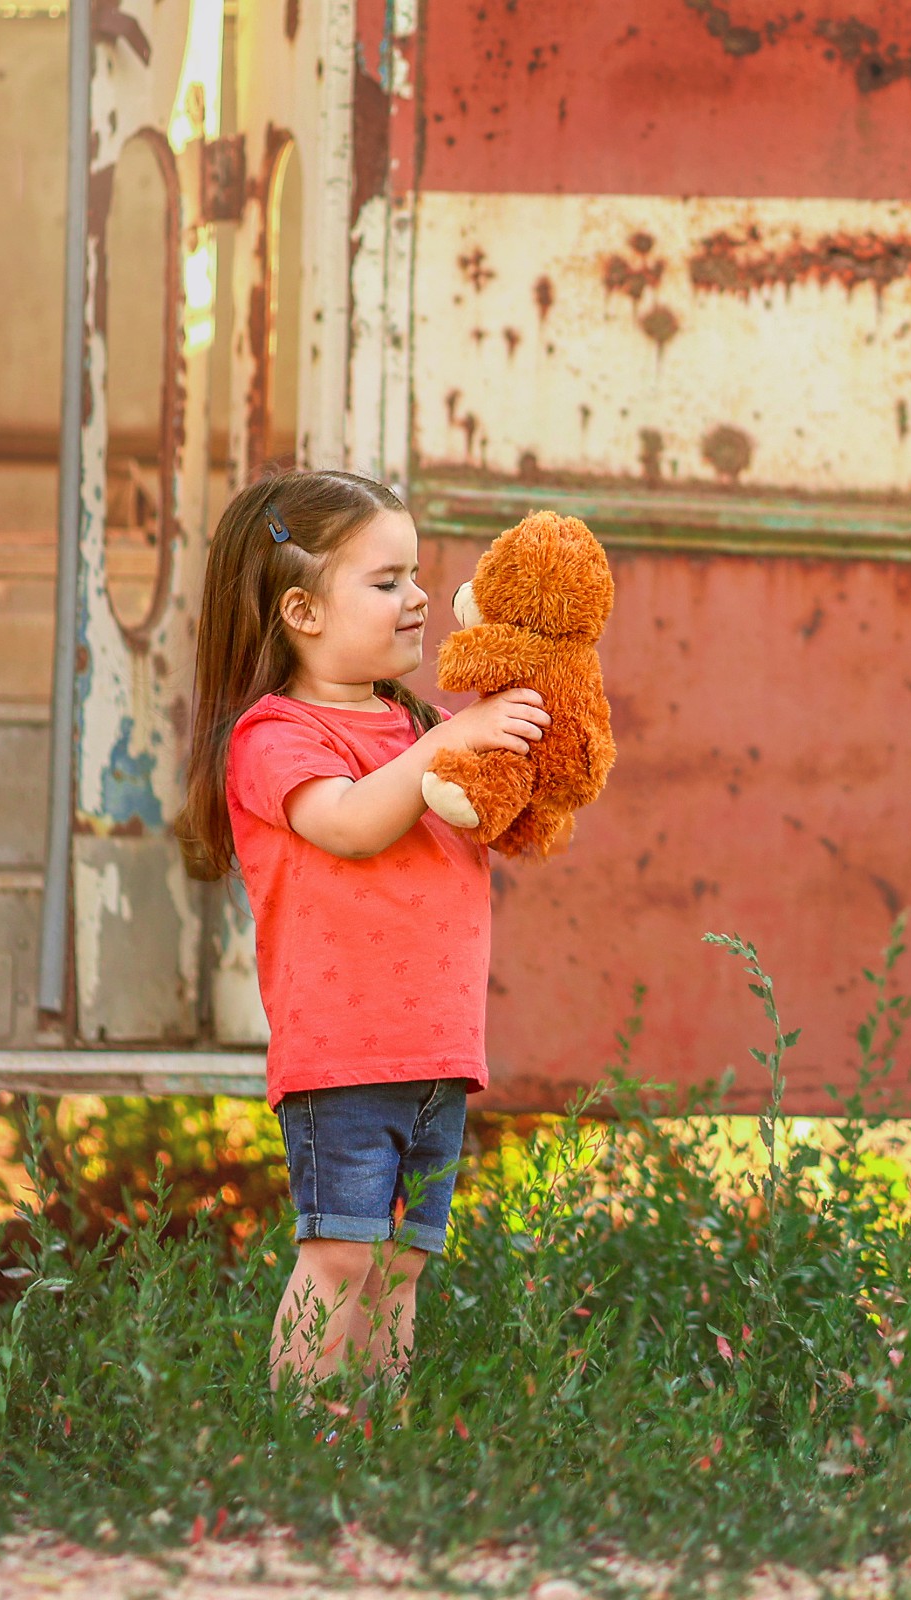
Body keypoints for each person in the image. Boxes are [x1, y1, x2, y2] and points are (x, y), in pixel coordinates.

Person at [173, 469, 549, 1395]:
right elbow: (348, 824)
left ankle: (374, 1437)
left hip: (437, 1049)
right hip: (341, 1058)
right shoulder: (274, 736)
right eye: (386, 582)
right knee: (341, 1254)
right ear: (300, 610)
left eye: (417, 574)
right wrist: (448, 744)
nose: (419, 597)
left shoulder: (415, 723)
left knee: (401, 1266)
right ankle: (305, 1436)